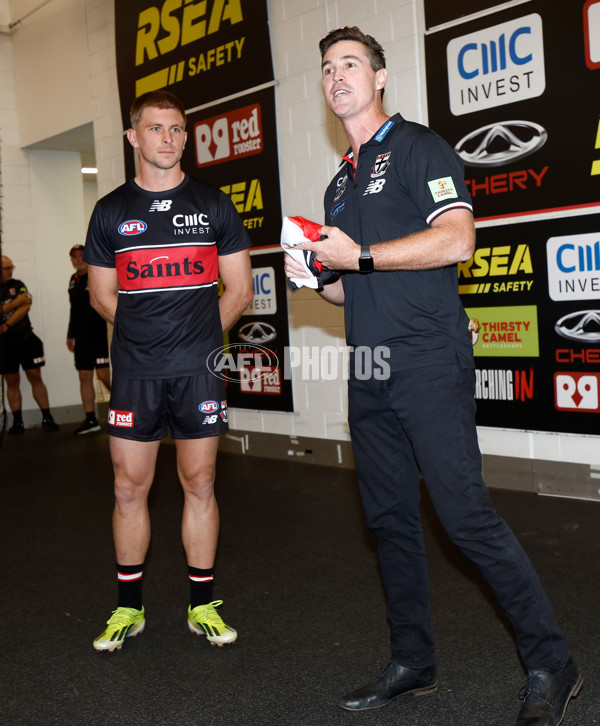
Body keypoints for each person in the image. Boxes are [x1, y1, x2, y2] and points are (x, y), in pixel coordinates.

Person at [283, 26, 581, 726]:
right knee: (388, 522)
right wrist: (316, 279)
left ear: (380, 77)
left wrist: (357, 258)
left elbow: (457, 239)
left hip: (426, 360)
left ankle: (551, 661)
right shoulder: (337, 182)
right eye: (327, 68)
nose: (336, 77)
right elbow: (354, 285)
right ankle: (413, 661)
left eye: (350, 63)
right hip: (369, 366)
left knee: (465, 517)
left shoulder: (421, 148)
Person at [85, 90, 253, 653]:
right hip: (136, 369)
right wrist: (145, 337)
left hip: (198, 370)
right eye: (156, 129)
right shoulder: (110, 210)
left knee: (199, 483)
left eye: (177, 129)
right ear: (134, 137)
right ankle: (127, 609)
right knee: (128, 487)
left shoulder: (213, 205)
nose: (168, 139)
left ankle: (201, 604)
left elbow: (241, 289)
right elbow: (102, 295)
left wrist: (202, 341)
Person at [1, 255, 60, 434]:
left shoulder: (17, 283)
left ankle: (47, 417)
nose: (11, 271)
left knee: (35, 377)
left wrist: (7, 324)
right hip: (5, 344)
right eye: (7, 268)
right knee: (11, 381)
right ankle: (17, 422)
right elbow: (20, 304)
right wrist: (16, 303)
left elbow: (26, 306)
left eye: (12, 267)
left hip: (26, 339)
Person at [67, 244, 111, 434]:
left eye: (81, 255)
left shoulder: (97, 275)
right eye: (74, 257)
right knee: (84, 376)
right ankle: (91, 419)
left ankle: (129, 410)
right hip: (82, 337)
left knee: (103, 376)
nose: (77, 259)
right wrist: (71, 334)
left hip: (99, 335)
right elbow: (74, 310)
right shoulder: (73, 280)